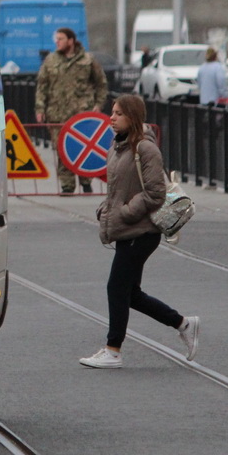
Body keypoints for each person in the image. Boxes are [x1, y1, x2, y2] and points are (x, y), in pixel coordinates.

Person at [80, 93, 200, 369]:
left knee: (116, 288)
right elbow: (119, 187)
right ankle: (183, 324)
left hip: (142, 231)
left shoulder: (146, 149)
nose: (112, 117)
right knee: (130, 293)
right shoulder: (118, 146)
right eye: (112, 112)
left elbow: (156, 192)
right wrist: (107, 208)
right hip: (126, 229)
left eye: (118, 113)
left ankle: (113, 349)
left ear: (132, 118)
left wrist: (125, 211)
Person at [35, 27, 108, 194]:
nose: (57, 42)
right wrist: (40, 108)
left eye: (60, 39)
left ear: (71, 41)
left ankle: (86, 181)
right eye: (56, 39)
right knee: (62, 150)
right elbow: (42, 86)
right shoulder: (51, 60)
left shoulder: (88, 60)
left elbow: (101, 83)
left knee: (84, 148)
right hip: (57, 114)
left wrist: (98, 104)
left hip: (82, 115)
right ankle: (67, 185)